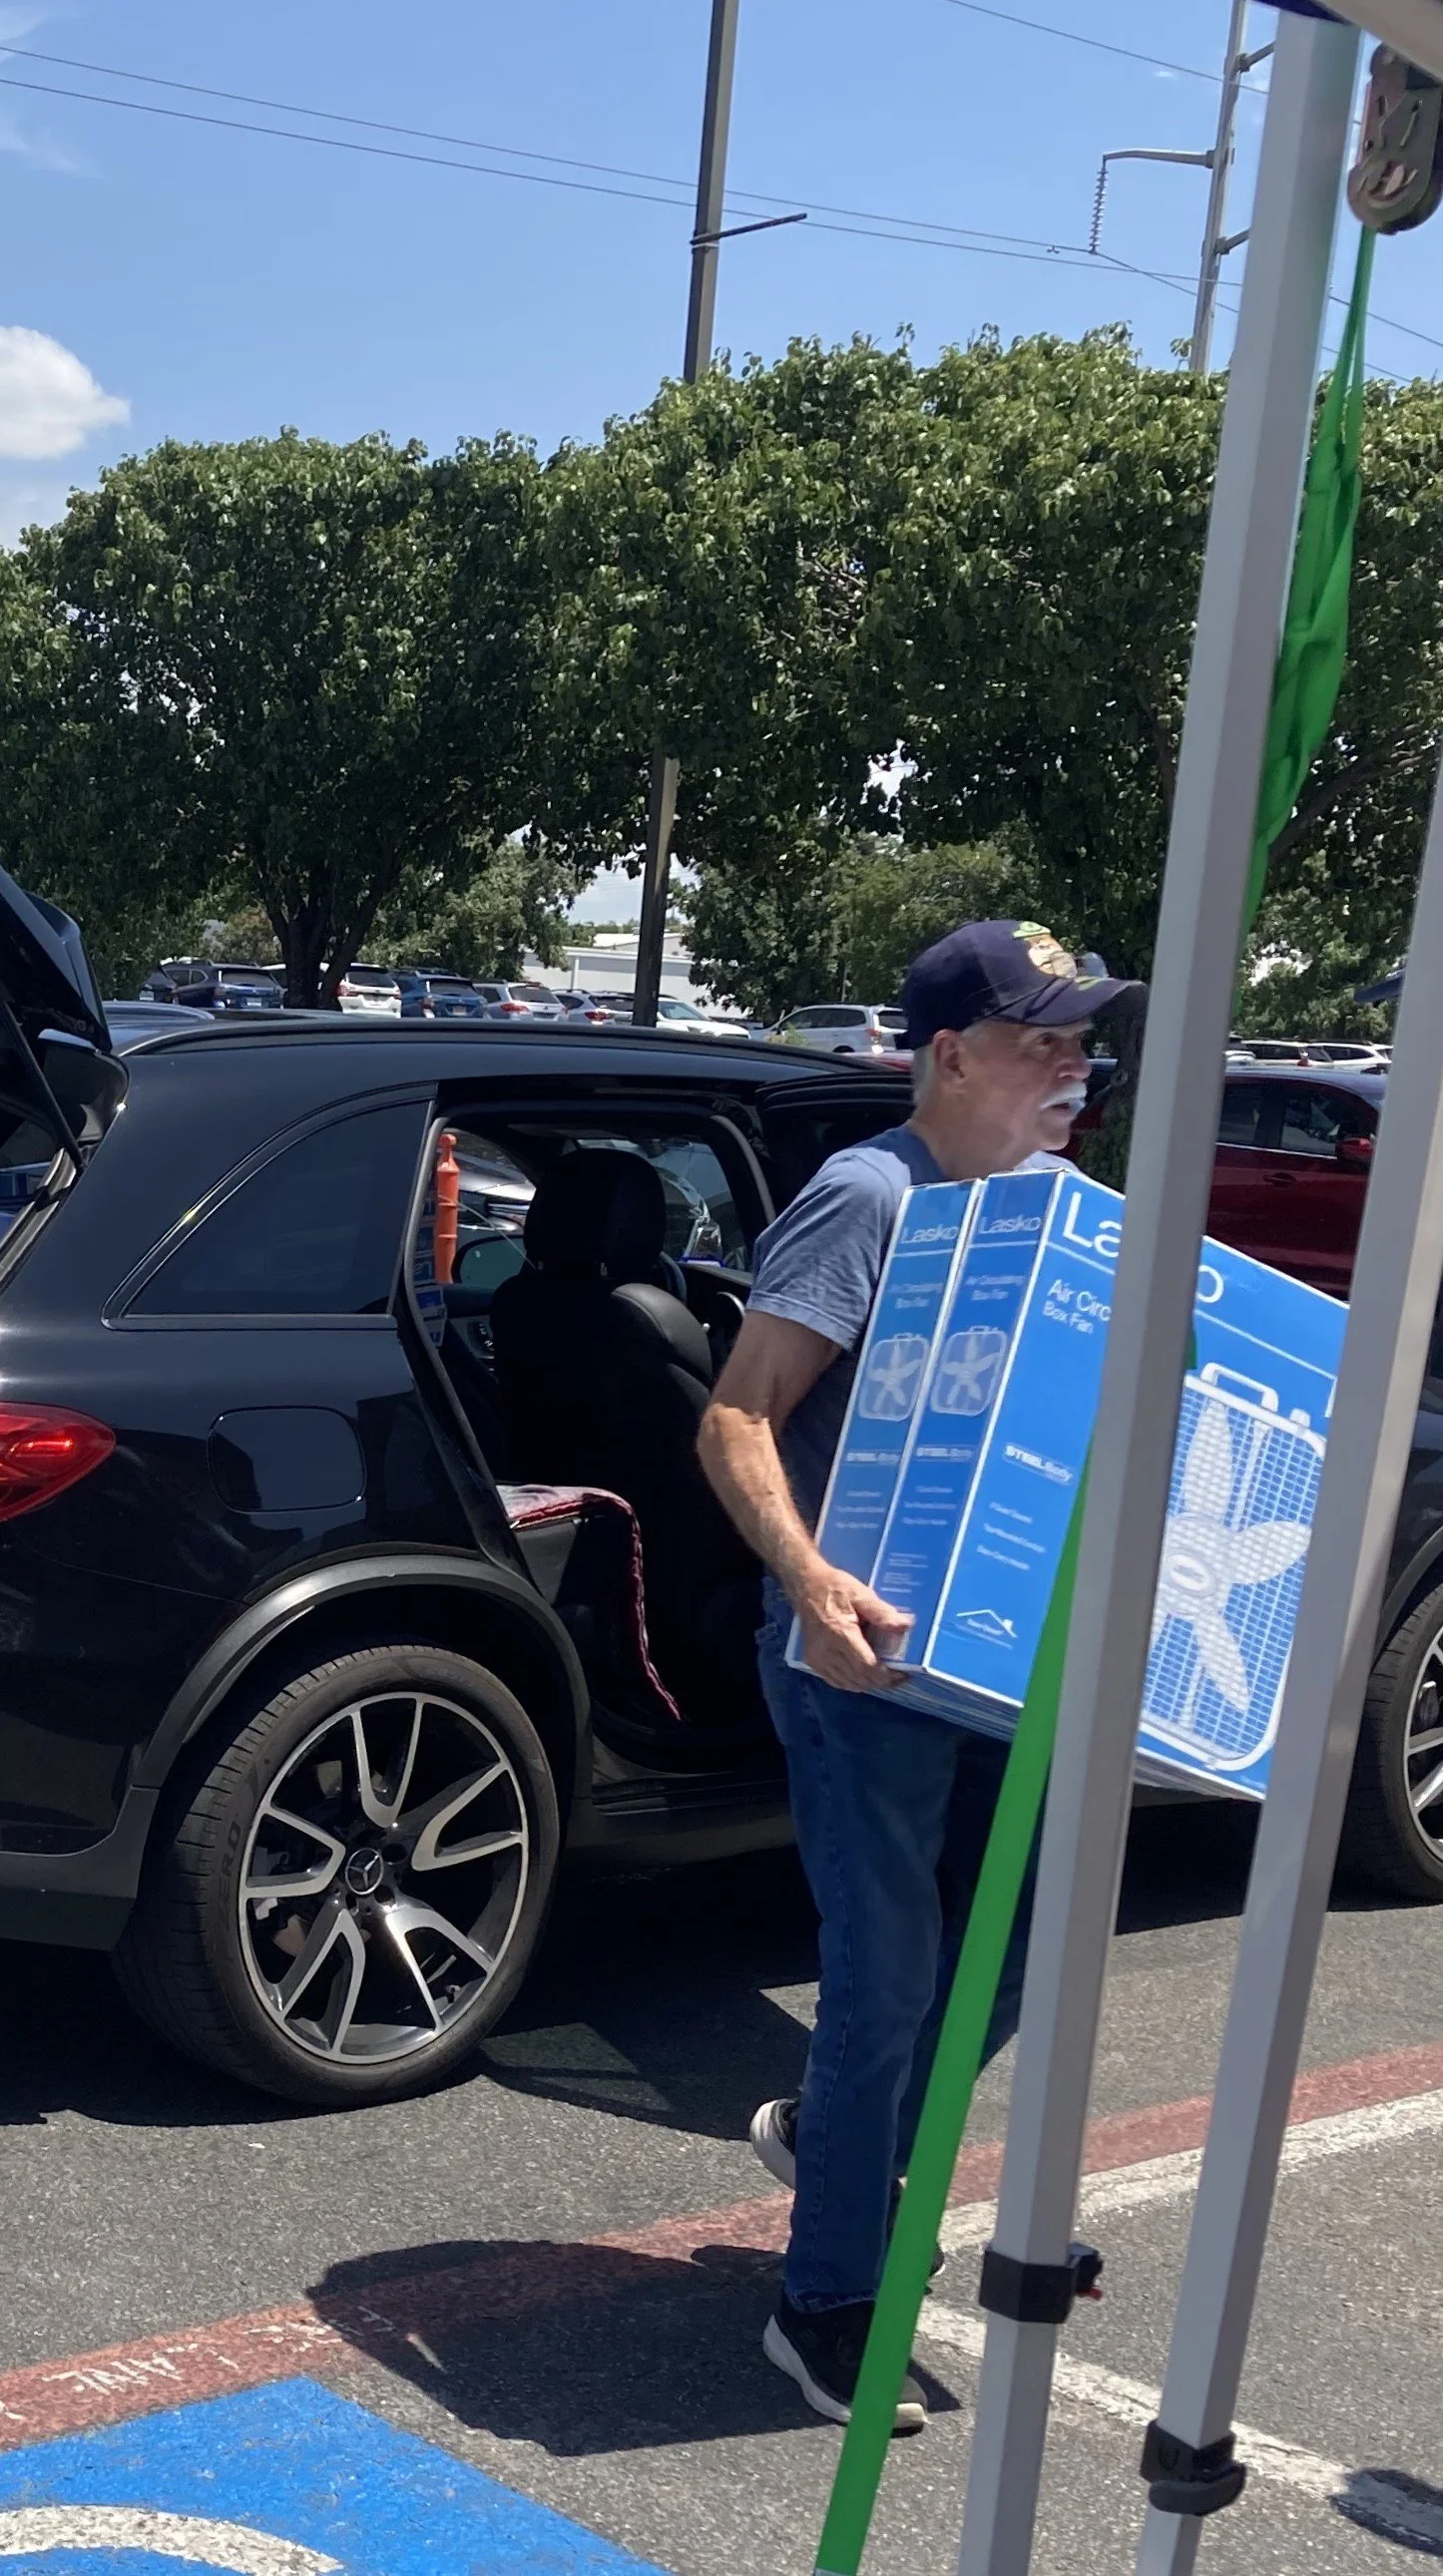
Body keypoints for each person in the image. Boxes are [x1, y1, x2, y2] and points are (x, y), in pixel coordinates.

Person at [698, 921, 1136, 2431]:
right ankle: (824, 2305)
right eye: (1041, 1039)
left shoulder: (1052, 1212)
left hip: (998, 1660)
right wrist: (809, 1584)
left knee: (999, 1960)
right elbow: (737, 1419)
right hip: (858, 1661)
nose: (1073, 1065)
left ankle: (829, 2129)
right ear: (948, 1054)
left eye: (1080, 1038)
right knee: (884, 1977)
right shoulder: (867, 1198)